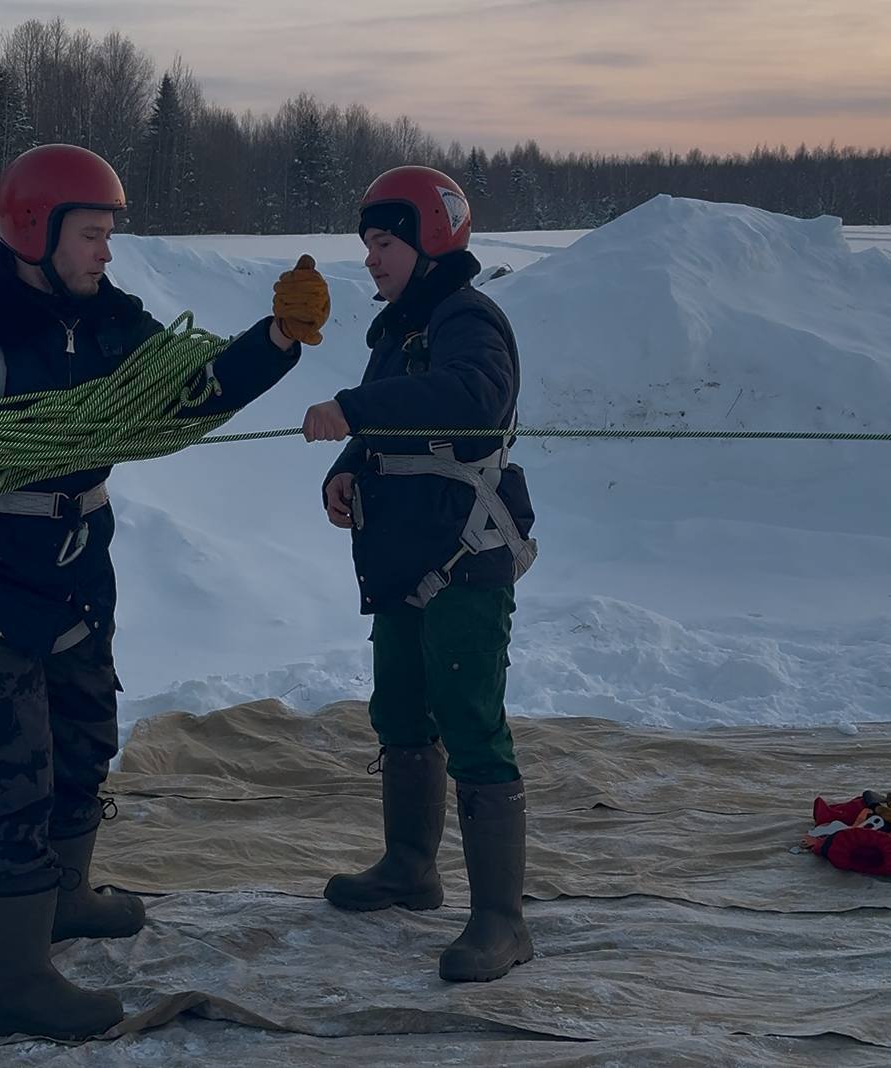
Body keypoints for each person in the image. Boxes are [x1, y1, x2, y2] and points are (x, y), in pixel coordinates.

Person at [0, 144, 329, 1039]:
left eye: (107, 235)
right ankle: (12, 984)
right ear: (34, 230)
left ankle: (65, 896)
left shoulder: (115, 320)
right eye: (91, 234)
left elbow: (188, 397)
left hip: (82, 573)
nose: (106, 252)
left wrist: (277, 340)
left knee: (85, 744)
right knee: (11, 775)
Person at [302, 165, 537, 983]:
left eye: (386, 241)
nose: (372, 258)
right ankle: (411, 869)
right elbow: (391, 414)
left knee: (470, 719)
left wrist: (355, 412)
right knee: (399, 710)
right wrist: (348, 461)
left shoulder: (469, 319)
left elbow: (471, 400)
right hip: (401, 558)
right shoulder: (395, 332)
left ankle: (502, 922)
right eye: (367, 242)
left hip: (466, 559)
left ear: (431, 239)